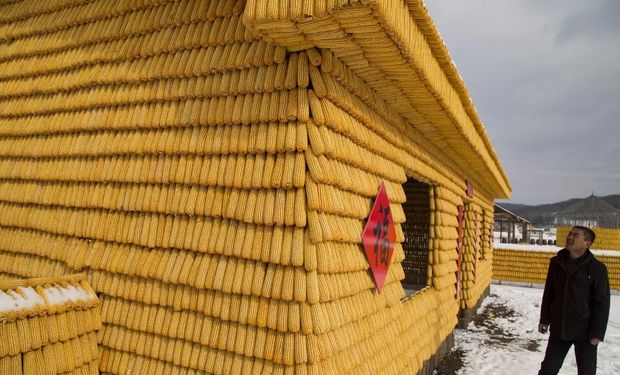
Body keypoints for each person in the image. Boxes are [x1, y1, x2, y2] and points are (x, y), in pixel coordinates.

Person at [538, 226, 610, 375]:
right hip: (559, 329)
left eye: (575, 235)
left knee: (586, 372)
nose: (570, 237)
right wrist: (544, 319)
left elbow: (602, 303)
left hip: (585, 333)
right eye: (570, 234)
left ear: (587, 244)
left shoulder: (597, 268)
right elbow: (549, 293)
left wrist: (597, 333)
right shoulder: (556, 263)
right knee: (548, 370)